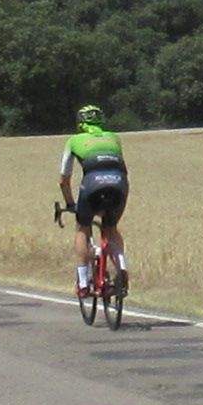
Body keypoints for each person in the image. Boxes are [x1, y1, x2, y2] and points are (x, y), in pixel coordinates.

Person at [59, 104, 129, 299]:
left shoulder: (74, 141)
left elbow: (64, 179)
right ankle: (121, 266)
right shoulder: (114, 137)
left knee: (82, 227)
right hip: (119, 183)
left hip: (92, 184)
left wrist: (70, 203)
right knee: (111, 227)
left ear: (80, 123)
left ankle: (82, 282)